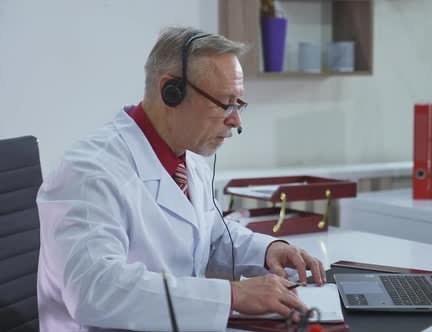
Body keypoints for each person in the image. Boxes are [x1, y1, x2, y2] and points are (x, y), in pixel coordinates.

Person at [36, 26, 327, 332]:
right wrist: (231, 295)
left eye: (238, 103)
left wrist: (267, 252)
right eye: (225, 103)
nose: (236, 120)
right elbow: (95, 291)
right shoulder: (90, 172)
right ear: (171, 92)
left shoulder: (188, 158)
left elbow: (212, 238)